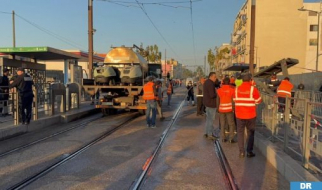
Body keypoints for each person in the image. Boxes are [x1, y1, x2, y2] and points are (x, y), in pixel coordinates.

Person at [233, 73, 262, 158]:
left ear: (242, 80)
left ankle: (241, 152)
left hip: (239, 115)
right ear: (250, 80)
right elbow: (258, 101)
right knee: (250, 133)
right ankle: (249, 151)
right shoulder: (253, 89)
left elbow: (235, 100)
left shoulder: (236, 89)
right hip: (250, 115)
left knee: (240, 133)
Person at [217, 77, 236, 143]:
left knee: (222, 124)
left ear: (223, 82)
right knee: (231, 124)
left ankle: (223, 138)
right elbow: (233, 100)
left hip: (221, 109)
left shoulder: (219, 90)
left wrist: (217, 109)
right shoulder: (232, 90)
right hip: (229, 109)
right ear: (229, 82)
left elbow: (218, 100)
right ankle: (231, 138)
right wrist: (233, 108)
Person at [203, 72, 218, 140]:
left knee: (208, 119)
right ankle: (210, 134)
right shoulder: (211, 84)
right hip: (211, 104)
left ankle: (206, 133)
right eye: (215, 77)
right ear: (211, 76)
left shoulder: (206, 82)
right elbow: (212, 95)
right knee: (211, 119)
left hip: (207, 103)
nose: (216, 78)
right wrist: (216, 93)